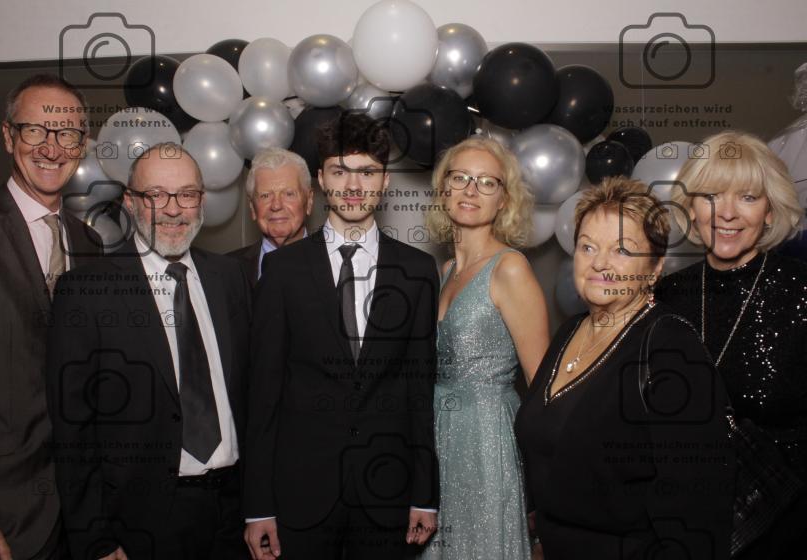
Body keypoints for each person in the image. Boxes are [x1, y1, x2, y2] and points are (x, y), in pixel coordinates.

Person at [244, 114, 439, 560]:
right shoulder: (283, 270)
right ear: (321, 179)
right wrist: (258, 507)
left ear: (384, 181)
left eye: (366, 172)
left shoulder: (417, 270)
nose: (352, 185)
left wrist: (425, 495)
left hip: (387, 492)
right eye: (339, 171)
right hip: (301, 493)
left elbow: (419, 393)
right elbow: (264, 397)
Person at [45, 144, 252, 560]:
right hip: (139, 524)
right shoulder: (87, 291)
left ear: (201, 201)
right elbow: (72, 430)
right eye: (156, 194)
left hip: (234, 514)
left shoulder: (230, 277)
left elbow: (252, 394)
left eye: (186, 194)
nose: (173, 209)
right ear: (130, 202)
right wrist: (95, 539)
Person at [515, 177, 735, 560]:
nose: (599, 262)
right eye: (587, 247)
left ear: (654, 268)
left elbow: (698, 514)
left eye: (622, 250)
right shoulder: (569, 332)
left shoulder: (670, 349)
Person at [0, 73, 102, 560]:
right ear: (8, 136)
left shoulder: (89, 244)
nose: (51, 148)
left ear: (82, 145)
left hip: (80, 509)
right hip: (0, 513)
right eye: (35, 130)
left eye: (66, 133)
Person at [656, 130, 807, 559]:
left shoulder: (800, 291)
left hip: (788, 523)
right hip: (691, 521)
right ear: (691, 208)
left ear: (770, 211)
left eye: (747, 197)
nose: (726, 213)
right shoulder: (666, 296)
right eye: (710, 196)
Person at [419, 137, 549, 560]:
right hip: (438, 435)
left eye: (487, 182)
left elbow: (544, 388)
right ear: (444, 189)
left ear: (503, 200)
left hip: (487, 438)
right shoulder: (445, 270)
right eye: (460, 178)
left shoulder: (510, 268)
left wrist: (542, 488)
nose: (471, 190)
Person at [228, 148, 314, 287]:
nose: (276, 205)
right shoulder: (226, 271)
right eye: (265, 196)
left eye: (289, 194)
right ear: (252, 207)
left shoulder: (336, 263)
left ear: (309, 201)